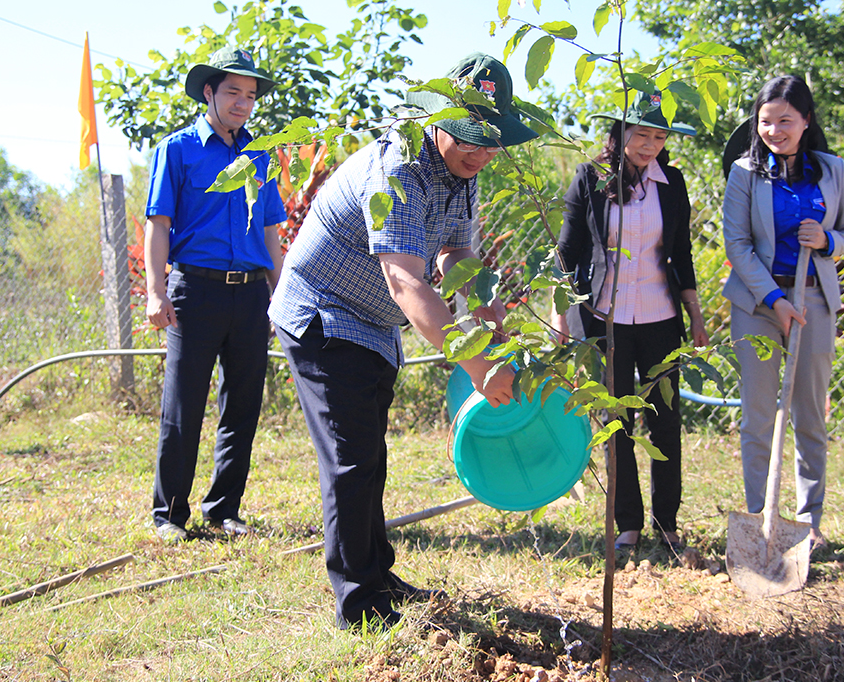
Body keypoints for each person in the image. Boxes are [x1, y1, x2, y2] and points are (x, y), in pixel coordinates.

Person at [269, 53, 538, 630]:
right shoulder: (399, 168)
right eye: (470, 138)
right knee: (350, 456)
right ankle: (358, 604)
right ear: (437, 119)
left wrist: (496, 332)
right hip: (323, 311)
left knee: (370, 452)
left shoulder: (460, 174)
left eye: (491, 141)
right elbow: (405, 279)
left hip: (373, 323)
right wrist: (477, 367)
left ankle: (376, 573)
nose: (481, 153)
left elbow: (460, 257)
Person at [553, 93, 709, 551]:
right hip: (606, 320)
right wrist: (561, 311)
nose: (650, 144)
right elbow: (568, 248)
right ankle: (628, 525)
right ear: (620, 134)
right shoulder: (591, 178)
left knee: (665, 420)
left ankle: (667, 524)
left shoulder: (672, 183)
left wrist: (695, 316)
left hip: (661, 318)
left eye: (659, 136)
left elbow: (682, 254)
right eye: (641, 134)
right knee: (616, 419)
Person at [145, 47, 286, 542]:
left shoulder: (259, 155)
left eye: (250, 95)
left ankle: (224, 508)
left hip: (249, 297)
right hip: (192, 294)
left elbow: (271, 230)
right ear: (209, 92)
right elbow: (158, 225)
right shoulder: (178, 150)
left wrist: (280, 292)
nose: (242, 103)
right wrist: (155, 292)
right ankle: (168, 515)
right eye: (233, 92)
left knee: (243, 404)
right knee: (182, 405)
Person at [722, 75, 844, 551]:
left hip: (815, 301)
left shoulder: (832, 170)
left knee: (809, 416)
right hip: (759, 305)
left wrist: (826, 240)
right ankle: (761, 518)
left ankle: (809, 522)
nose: (774, 130)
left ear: (805, 121)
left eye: (785, 120)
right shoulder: (744, 173)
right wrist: (776, 302)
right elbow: (738, 246)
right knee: (758, 415)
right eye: (765, 121)